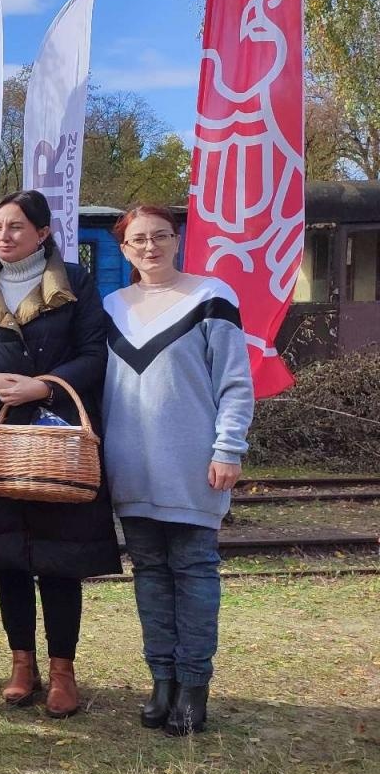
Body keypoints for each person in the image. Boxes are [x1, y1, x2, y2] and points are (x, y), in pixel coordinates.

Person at [0, 190, 121, 718]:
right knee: (8, 555)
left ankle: (63, 670)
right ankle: (22, 663)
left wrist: (43, 386)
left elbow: (96, 355)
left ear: (43, 233)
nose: (4, 236)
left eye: (16, 227)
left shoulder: (76, 282)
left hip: (58, 437)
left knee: (59, 557)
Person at [103, 205, 253, 736]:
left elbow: (234, 382)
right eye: (138, 239)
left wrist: (228, 448)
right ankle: (160, 680)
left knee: (193, 571)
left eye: (160, 236)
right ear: (124, 249)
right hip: (129, 466)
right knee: (148, 574)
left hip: (194, 464)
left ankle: (194, 686)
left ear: (176, 239)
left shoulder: (212, 297)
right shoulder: (112, 306)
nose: (150, 247)